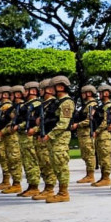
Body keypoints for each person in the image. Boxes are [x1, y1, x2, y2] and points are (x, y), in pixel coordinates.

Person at [40, 75, 75, 203]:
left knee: (61, 164)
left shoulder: (67, 102)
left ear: (60, 87)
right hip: (54, 138)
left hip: (60, 138)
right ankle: (58, 190)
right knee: (55, 164)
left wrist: (49, 135)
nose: (50, 90)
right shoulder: (57, 102)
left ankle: (63, 192)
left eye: (52, 87)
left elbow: (63, 124)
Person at [14, 82, 44, 198]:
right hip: (23, 138)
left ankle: (34, 186)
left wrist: (19, 126)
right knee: (27, 162)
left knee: (31, 162)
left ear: (32, 91)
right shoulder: (26, 105)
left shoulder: (37, 104)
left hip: (30, 138)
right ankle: (31, 185)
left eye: (25, 90)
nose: (24, 93)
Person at [73, 85, 99, 184]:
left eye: (84, 93)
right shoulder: (86, 105)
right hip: (83, 134)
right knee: (85, 154)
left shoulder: (91, 105)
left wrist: (77, 125)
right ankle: (89, 174)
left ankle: (90, 175)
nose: (82, 95)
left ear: (88, 93)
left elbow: (89, 120)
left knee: (89, 155)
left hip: (87, 133)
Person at [92, 84, 111, 187]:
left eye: (100, 93)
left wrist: (97, 131)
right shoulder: (101, 106)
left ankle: (106, 177)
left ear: (106, 93)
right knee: (101, 156)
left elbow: (106, 121)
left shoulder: (109, 106)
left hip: (104, 134)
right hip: (100, 134)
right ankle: (103, 176)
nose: (99, 95)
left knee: (105, 156)